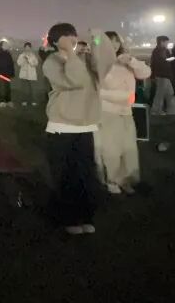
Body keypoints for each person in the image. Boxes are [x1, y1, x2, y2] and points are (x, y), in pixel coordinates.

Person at [42, 24, 115, 235]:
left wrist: (98, 38)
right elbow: (75, 80)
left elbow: (106, 62)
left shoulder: (85, 60)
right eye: (65, 36)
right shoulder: (52, 62)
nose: (71, 39)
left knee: (86, 175)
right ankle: (67, 218)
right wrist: (70, 53)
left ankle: (85, 215)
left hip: (85, 126)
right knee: (66, 176)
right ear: (55, 41)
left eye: (73, 35)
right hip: (61, 128)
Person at [95, 31, 151, 195]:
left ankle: (127, 180)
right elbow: (98, 91)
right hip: (107, 112)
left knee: (128, 148)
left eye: (116, 41)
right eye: (109, 42)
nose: (114, 45)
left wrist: (131, 61)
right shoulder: (99, 63)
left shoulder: (125, 61)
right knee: (111, 150)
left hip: (126, 113)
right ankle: (111, 180)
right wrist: (125, 97)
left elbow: (145, 73)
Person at [150, 36, 175, 116]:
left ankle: (172, 110)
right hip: (161, 75)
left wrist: (171, 58)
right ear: (162, 42)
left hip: (165, 75)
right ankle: (157, 110)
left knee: (169, 93)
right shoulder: (157, 51)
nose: (167, 43)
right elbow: (159, 62)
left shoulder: (164, 50)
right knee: (161, 94)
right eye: (166, 42)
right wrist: (170, 59)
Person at [16, 42, 40, 107]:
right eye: (26, 47)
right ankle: (24, 101)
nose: (27, 49)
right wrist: (24, 59)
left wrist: (29, 59)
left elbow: (35, 64)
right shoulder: (21, 55)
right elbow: (19, 63)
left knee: (33, 89)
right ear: (24, 48)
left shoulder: (33, 56)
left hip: (32, 75)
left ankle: (34, 101)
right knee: (24, 89)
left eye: (28, 47)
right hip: (23, 75)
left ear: (30, 48)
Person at [0, 40, 15, 108]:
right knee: (1, 88)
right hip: (1, 74)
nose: (7, 45)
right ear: (2, 46)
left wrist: (12, 73)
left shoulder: (8, 54)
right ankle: (1, 101)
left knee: (7, 88)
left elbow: (11, 64)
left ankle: (8, 101)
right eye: (5, 44)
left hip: (7, 74)